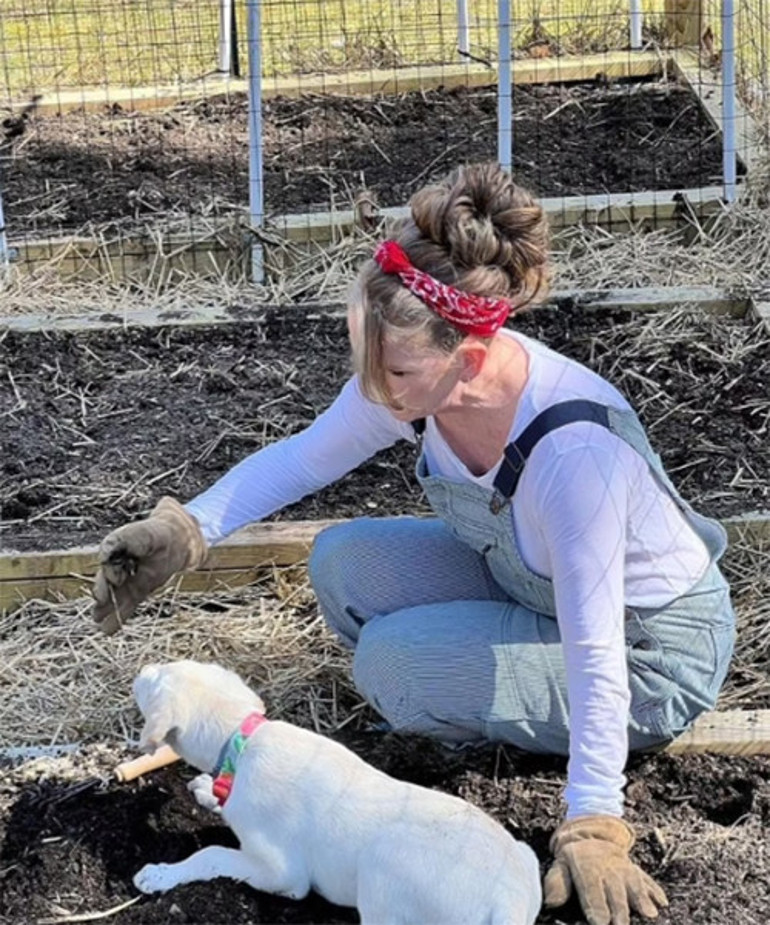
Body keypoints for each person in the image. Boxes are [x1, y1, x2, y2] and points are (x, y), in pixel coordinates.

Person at [93, 162, 735, 925]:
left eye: (392, 368)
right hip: (531, 579)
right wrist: (186, 530)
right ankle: (474, 687)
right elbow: (304, 456)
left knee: (394, 664)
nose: (373, 386)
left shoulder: (573, 455)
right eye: (366, 356)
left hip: (646, 651)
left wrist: (594, 817)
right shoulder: (414, 381)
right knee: (341, 563)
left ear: (469, 360)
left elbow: (596, 651)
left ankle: (465, 699)